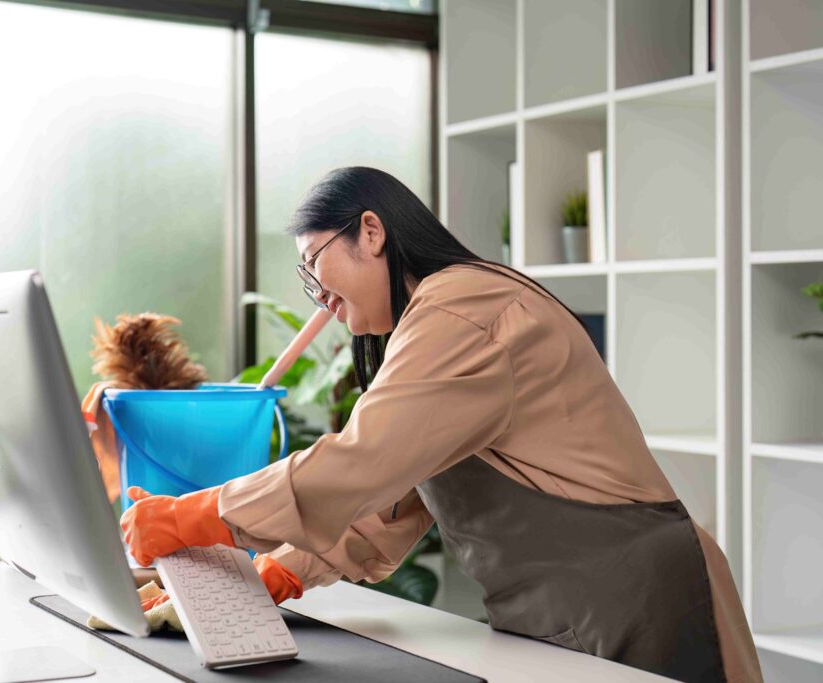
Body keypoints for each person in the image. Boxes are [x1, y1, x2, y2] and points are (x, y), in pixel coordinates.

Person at [120, 166, 762, 682]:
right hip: (566, 611)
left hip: (635, 599)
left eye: (316, 267)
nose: (322, 300)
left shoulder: (466, 306)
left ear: (370, 232)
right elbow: (395, 501)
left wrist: (192, 516)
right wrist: (280, 571)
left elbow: (363, 462)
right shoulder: (433, 321)